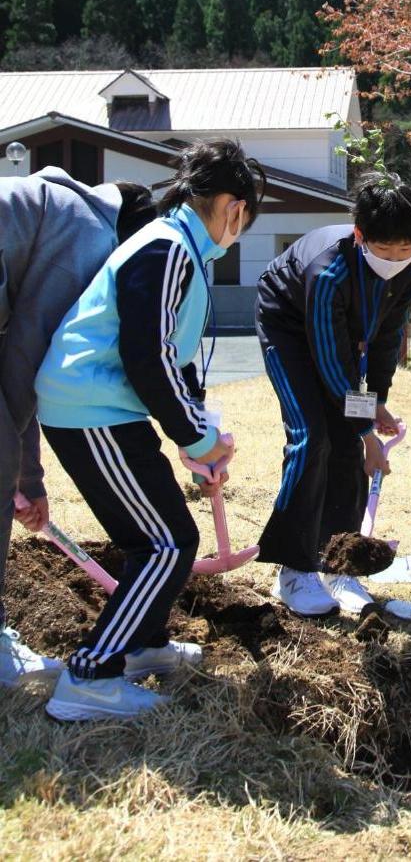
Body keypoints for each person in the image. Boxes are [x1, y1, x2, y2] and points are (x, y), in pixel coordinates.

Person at [34, 140, 265, 721]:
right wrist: (195, 438)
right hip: (91, 408)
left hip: (107, 409)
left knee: (156, 538)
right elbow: (147, 356)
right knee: (167, 543)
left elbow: (176, 356)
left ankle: (142, 645)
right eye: (246, 217)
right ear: (233, 206)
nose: (240, 228)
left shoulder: (183, 247)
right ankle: (90, 676)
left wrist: (198, 427)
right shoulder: (166, 249)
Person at [0, 168, 155, 689]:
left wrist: (26, 478)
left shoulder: (56, 207)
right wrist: (21, 477)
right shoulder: (87, 236)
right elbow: (24, 359)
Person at [256, 173, 411, 618]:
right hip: (289, 325)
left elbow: (388, 338)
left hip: (341, 331)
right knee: (313, 438)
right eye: (384, 249)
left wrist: (379, 399)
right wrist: (367, 430)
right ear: (360, 235)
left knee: (347, 444)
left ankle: (339, 564)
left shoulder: (409, 270)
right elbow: (332, 366)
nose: (395, 258)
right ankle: (294, 567)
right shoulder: (328, 269)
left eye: (405, 249)